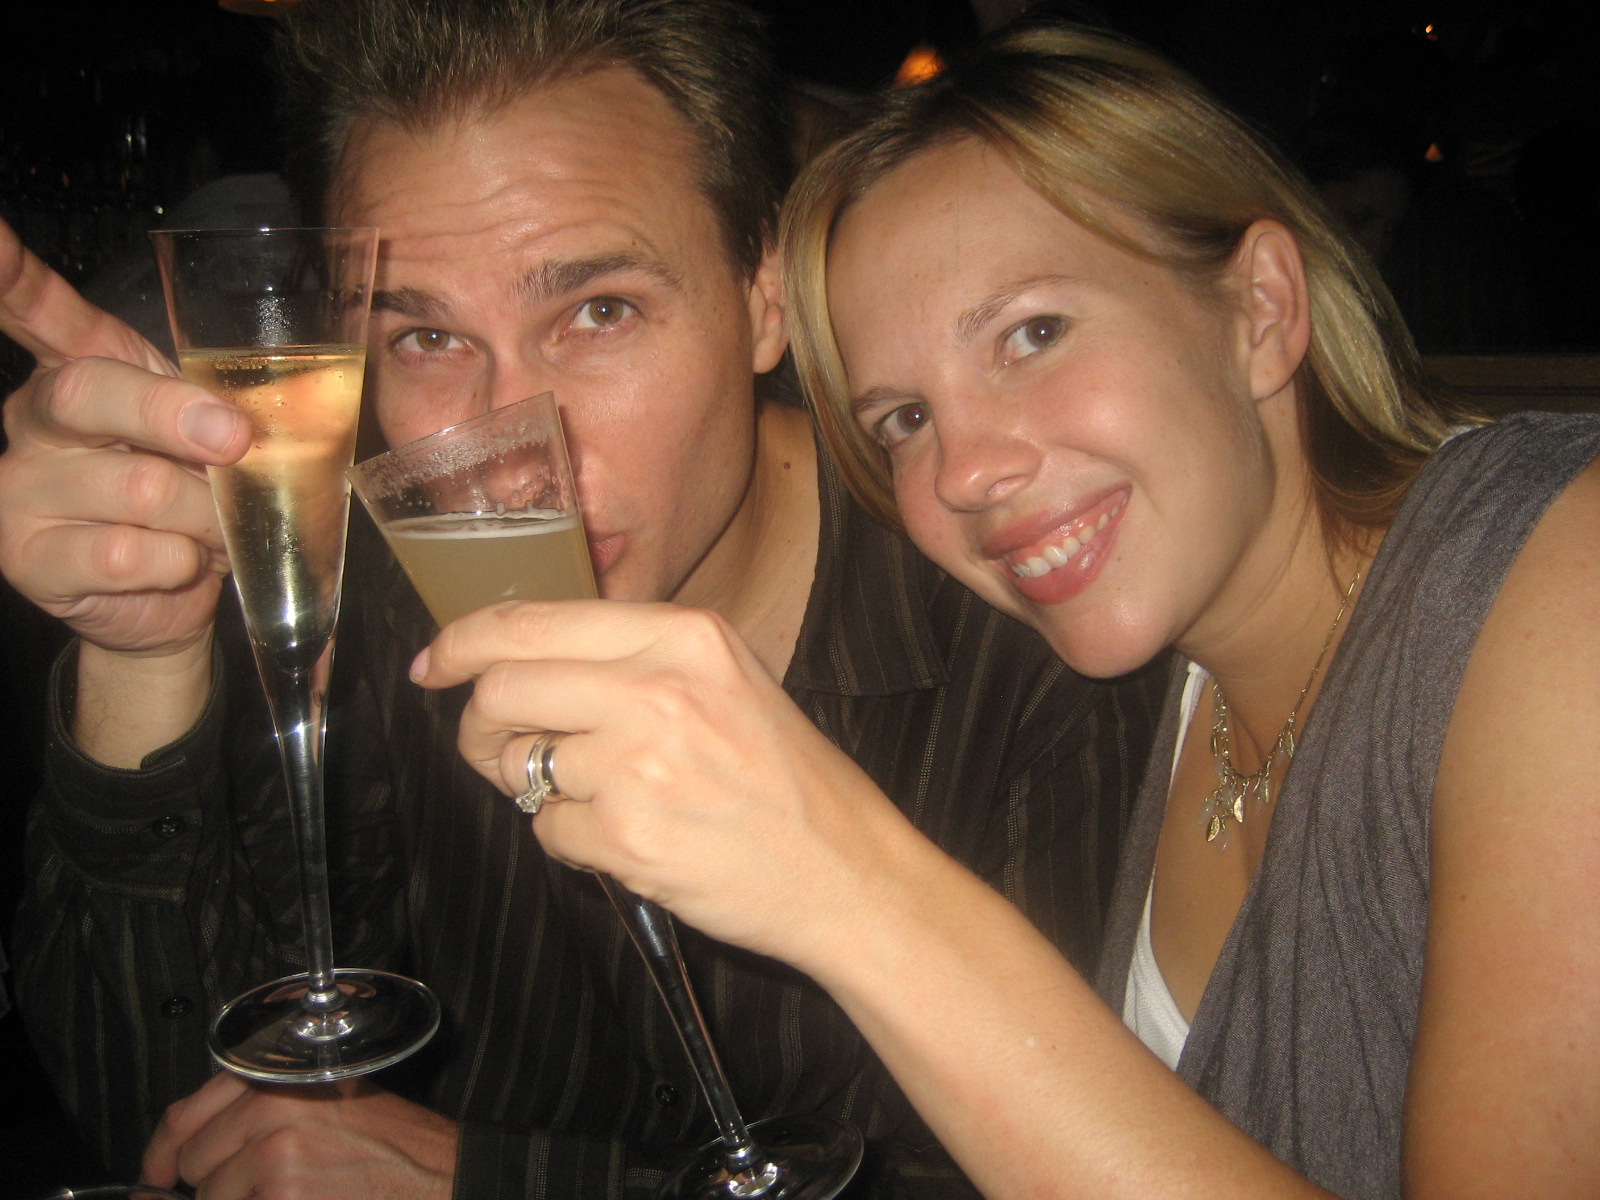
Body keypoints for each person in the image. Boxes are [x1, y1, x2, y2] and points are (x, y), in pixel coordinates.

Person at [410, 20, 1600, 1200]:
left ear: (1260, 308)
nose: (965, 471)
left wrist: (850, 883)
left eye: (1033, 334)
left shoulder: (1555, 565)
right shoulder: (1150, 708)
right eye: (904, 419)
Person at [0, 2, 1164, 1196]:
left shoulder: (1031, 635)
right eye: (425, 339)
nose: (514, 459)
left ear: (762, 292)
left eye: (598, 313)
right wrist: (143, 656)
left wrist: (493, 1182)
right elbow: (173, 1122)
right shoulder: (389, 608)